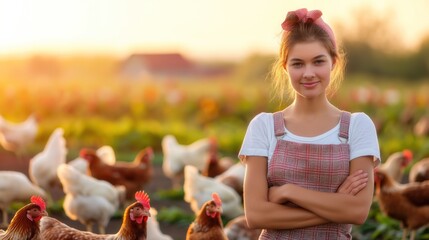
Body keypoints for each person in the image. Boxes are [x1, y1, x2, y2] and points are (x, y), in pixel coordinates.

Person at [238, 8, 380, 239]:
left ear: (333, 62)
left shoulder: (358, 127)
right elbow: (256, 215)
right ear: (285, 67)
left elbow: (358, 211)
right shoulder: (263, 127)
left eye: (318, 61)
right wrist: (337, 207)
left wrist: (289, 192)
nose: (308, 73)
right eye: (298, 64)